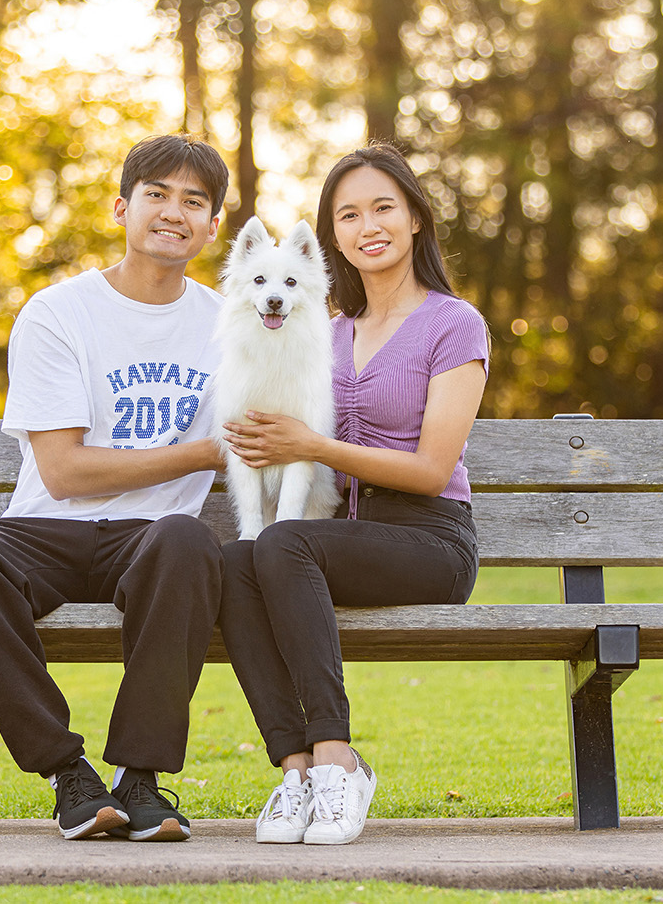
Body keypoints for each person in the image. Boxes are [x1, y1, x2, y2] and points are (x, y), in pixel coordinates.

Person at [0, 134, 230, 843]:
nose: (173, 212)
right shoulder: (58, 313)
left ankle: (142, 782)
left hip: (152, 542)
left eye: (194, 201)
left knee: (190, 539)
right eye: (156, 194)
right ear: (122, 207)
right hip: (47, 530)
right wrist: (203, 452)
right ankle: (69, 774)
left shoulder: (228, 326)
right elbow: (63, 470)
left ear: (213, 227)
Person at [218, 142, 489, 845]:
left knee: (281, 542)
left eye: (383, 208)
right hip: (339, 539)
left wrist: (311, 446)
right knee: (235, 559)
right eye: (348, 214)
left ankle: (341, 760)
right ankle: (298, 768)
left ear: (416, 219)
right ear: (332, 233)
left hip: (431, 539)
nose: (367, 224)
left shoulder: (454, 324)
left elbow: (433, 468)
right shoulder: (322, 331)